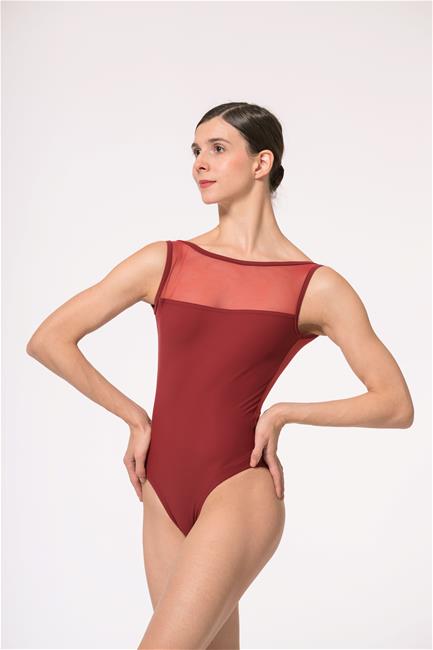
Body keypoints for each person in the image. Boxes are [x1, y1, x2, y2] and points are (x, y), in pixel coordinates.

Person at [26, 101, 414, 650]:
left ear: (261, 163)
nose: (199, 164)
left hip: (239, 486)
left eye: (217, 148)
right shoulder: (165, 260)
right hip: (161, 490)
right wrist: (135, 418)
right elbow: (49, 339)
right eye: (195, 151)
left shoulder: (315, 286)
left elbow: (395, 404)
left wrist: (285, 413)